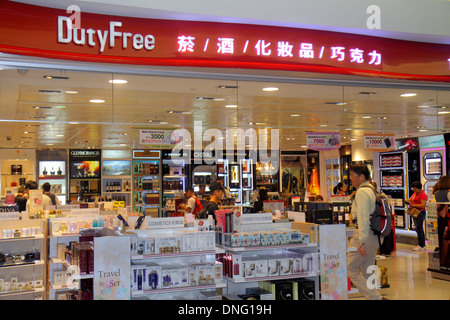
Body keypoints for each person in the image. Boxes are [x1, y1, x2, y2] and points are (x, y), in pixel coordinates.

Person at [347, 163, 383, 300]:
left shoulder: (362, 192)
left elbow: (362, 218)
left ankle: (376, 298)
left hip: (365, 236)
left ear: (361, 176)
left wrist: (361, 242)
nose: (350, 178)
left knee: (350, 268)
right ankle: (375, 297)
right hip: (375, 236)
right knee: (368, 269)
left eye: (352, 175)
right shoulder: (373, 190)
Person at [431, 176, 450, 268]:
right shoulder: (449, 193)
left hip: (440, 220)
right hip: (448, 219)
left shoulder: (436, 193)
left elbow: (434, 206)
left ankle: (443, 263)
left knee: (442, 241)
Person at [406, 181, 428, 251]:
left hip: (420, 213)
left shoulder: (423, 195)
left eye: (415, 189)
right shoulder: (415, 193)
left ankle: (421, 244)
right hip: (415, 212)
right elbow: (411, 199)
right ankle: (421, 244)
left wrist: (414, 205)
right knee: (417, 228)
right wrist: (408, 201)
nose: (414, 190)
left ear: (419, 188)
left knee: (419, 228)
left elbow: (423, 205)